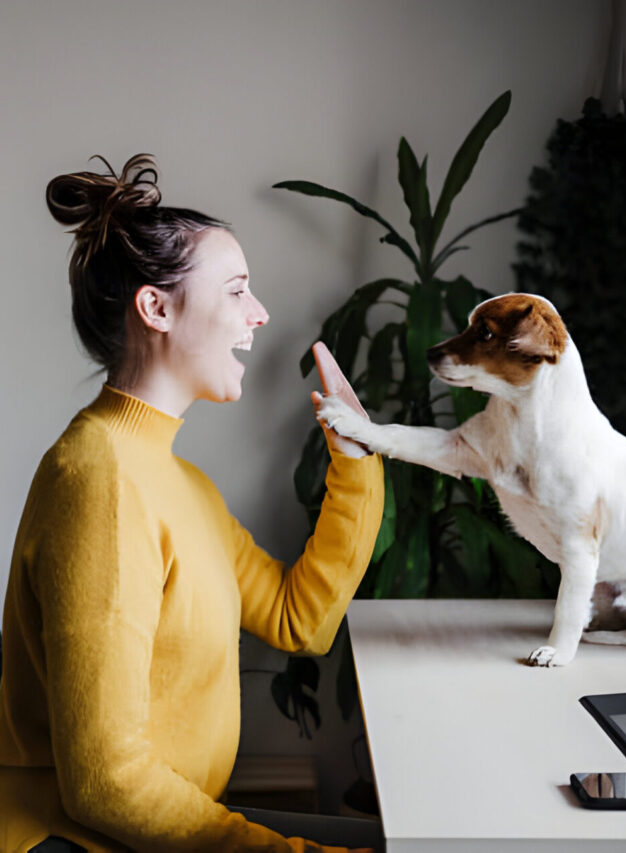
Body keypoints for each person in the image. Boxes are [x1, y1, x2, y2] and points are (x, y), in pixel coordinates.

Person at [0, 155, 384, 852]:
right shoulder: (101, 480)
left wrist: (356, 465)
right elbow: (105, 782)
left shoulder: (180, 484)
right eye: (238, 290)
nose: (259, 313)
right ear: (157, 308)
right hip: (72, 840)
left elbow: (302, 621)